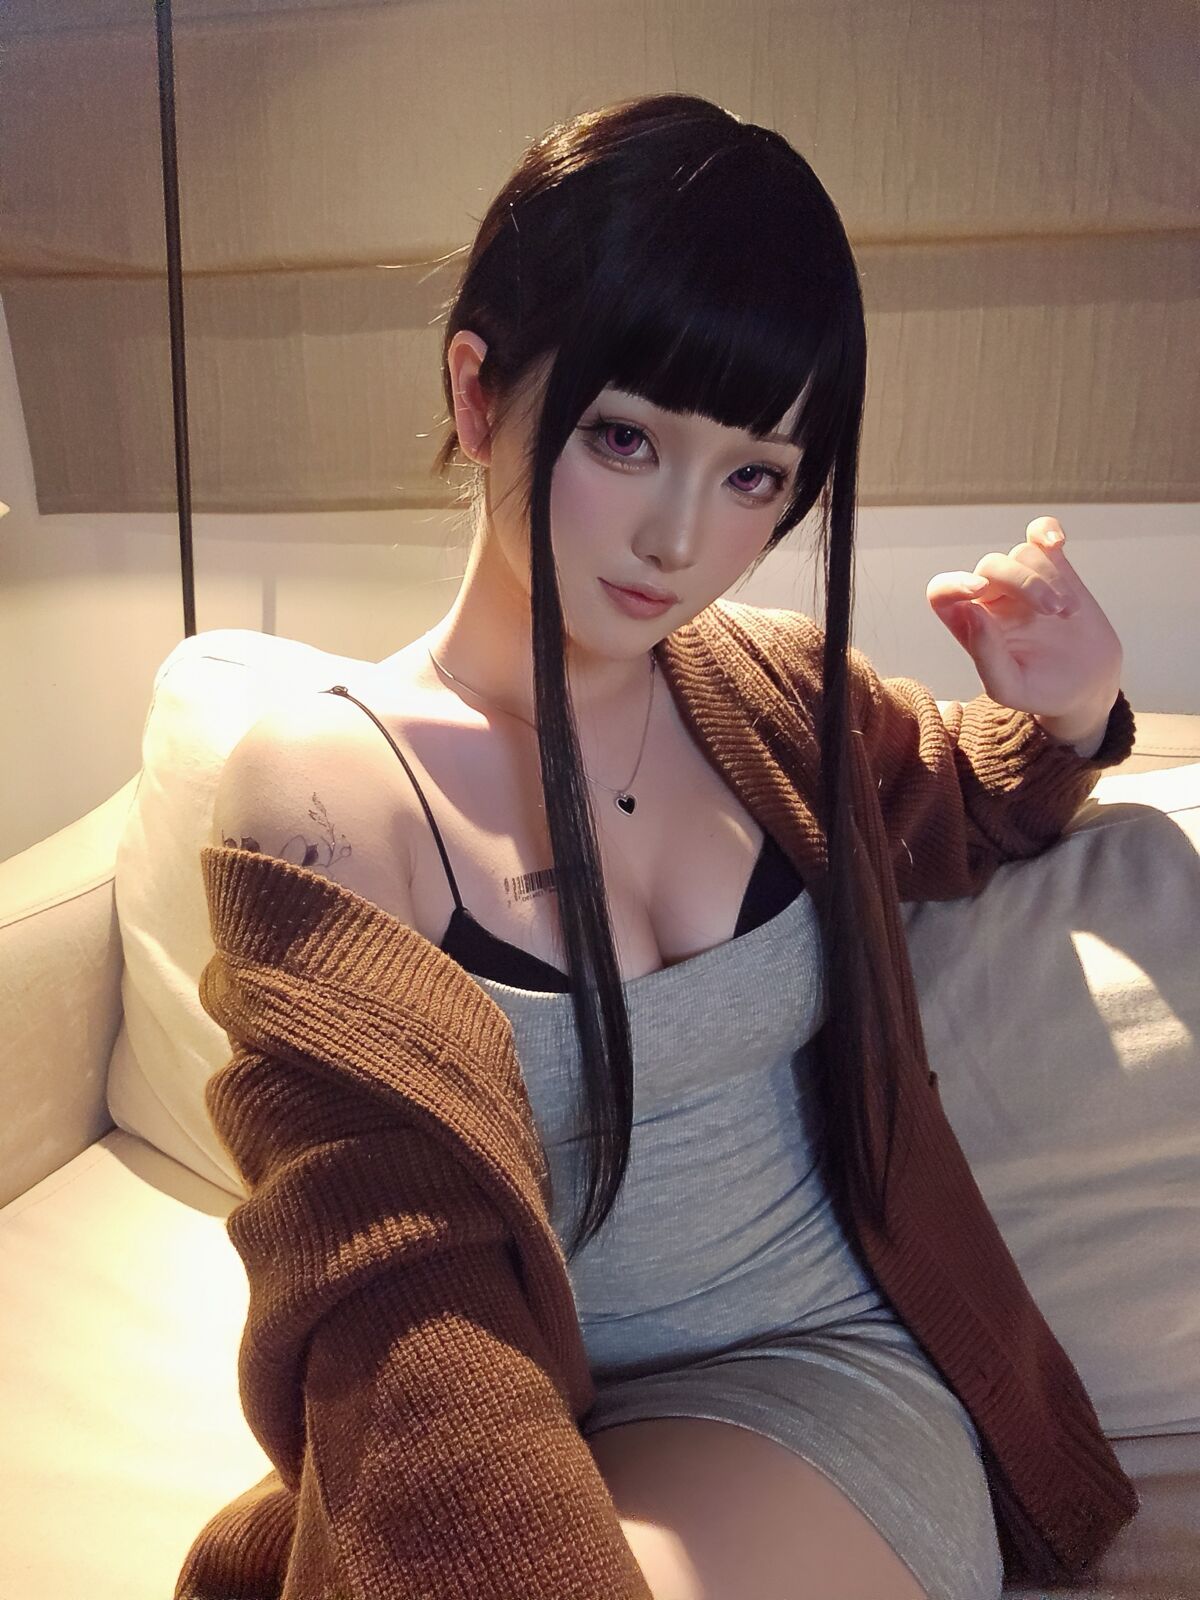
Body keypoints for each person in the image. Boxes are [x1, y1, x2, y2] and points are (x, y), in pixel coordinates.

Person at [198, 93, 1136, 1600]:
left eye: (755, 474)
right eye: (626, 438)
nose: (679, 541)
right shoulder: (326, 795)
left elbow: (969, 800)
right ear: (478, 394)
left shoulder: (773, 694)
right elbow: (398, 1296)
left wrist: (1076, 708)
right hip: (553, 1420)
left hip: (822, 1380)